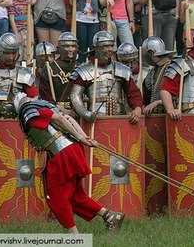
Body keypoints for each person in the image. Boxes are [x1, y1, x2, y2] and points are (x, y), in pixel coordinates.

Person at [14, 94, 125, 233]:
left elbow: (60, 118)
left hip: (62, 153)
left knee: (56, 198)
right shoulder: (42, 104)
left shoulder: (29, 110)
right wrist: (83, 137)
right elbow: (68, 118)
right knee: (75, 197)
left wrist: (81, 137)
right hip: (69, 150)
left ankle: (75, 237)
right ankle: (110, 216)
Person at [70, 31, 143, 124]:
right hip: (95, 121)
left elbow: (133, 92)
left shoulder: (122, 69)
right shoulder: (84, 70)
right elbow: (75, 96)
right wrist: (85, 113)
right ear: (95, 48)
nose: (110, 49)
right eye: (105, 46)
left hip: (119, 119)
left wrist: (137, 108)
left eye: (111, 46)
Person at [39, 32, 79, 116]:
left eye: (73, 46)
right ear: (59, 48)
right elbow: (44, 95)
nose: (71, 49)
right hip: (56, 113)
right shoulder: (49, 69)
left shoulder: (80, 68)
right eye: (67, 46)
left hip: (77, 112)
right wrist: (59, 108)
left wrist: (78, 109)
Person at [140, 37, 176, 115]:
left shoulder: (173, 68)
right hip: (154, 116)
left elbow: (177, 97)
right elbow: (145, 99)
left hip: (171, 114)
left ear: (150, 54)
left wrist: (156, 103)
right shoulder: (151, 73)